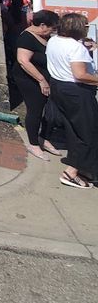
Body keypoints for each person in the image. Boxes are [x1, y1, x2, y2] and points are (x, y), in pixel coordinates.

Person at [46, 12, 98, 189]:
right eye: (85, 25)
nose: (87, 28)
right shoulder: (76, 48)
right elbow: (80, 75)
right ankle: (72, 172)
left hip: (59, 87)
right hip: (76, 91)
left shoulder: (54, 40)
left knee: (73, 129)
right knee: (88, 132)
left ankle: (84, 165)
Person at [12, 10, 61, 160]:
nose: (53, 31)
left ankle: (43, 138)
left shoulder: (43, 36)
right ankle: (33, 144)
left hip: (44, 78)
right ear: (42, 25)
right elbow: (23, 61)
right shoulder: (26, 38)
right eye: (52, 28)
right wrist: (41, 80)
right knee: (35, 109)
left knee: (48, 109)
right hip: (29, 80)